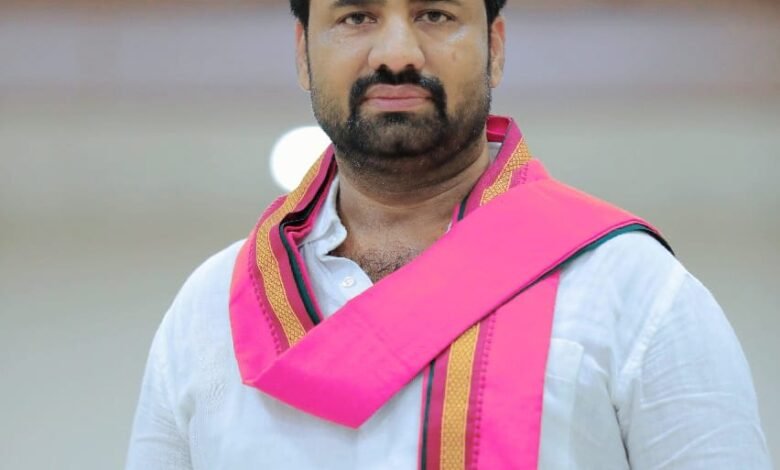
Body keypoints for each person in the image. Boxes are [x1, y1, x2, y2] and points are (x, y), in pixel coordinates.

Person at [127, 0, 771, 468]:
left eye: (435, 14)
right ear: (302, 53)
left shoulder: (634, 291)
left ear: (495, 47)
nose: (397, 54)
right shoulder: (210, 307)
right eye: (356, 16)